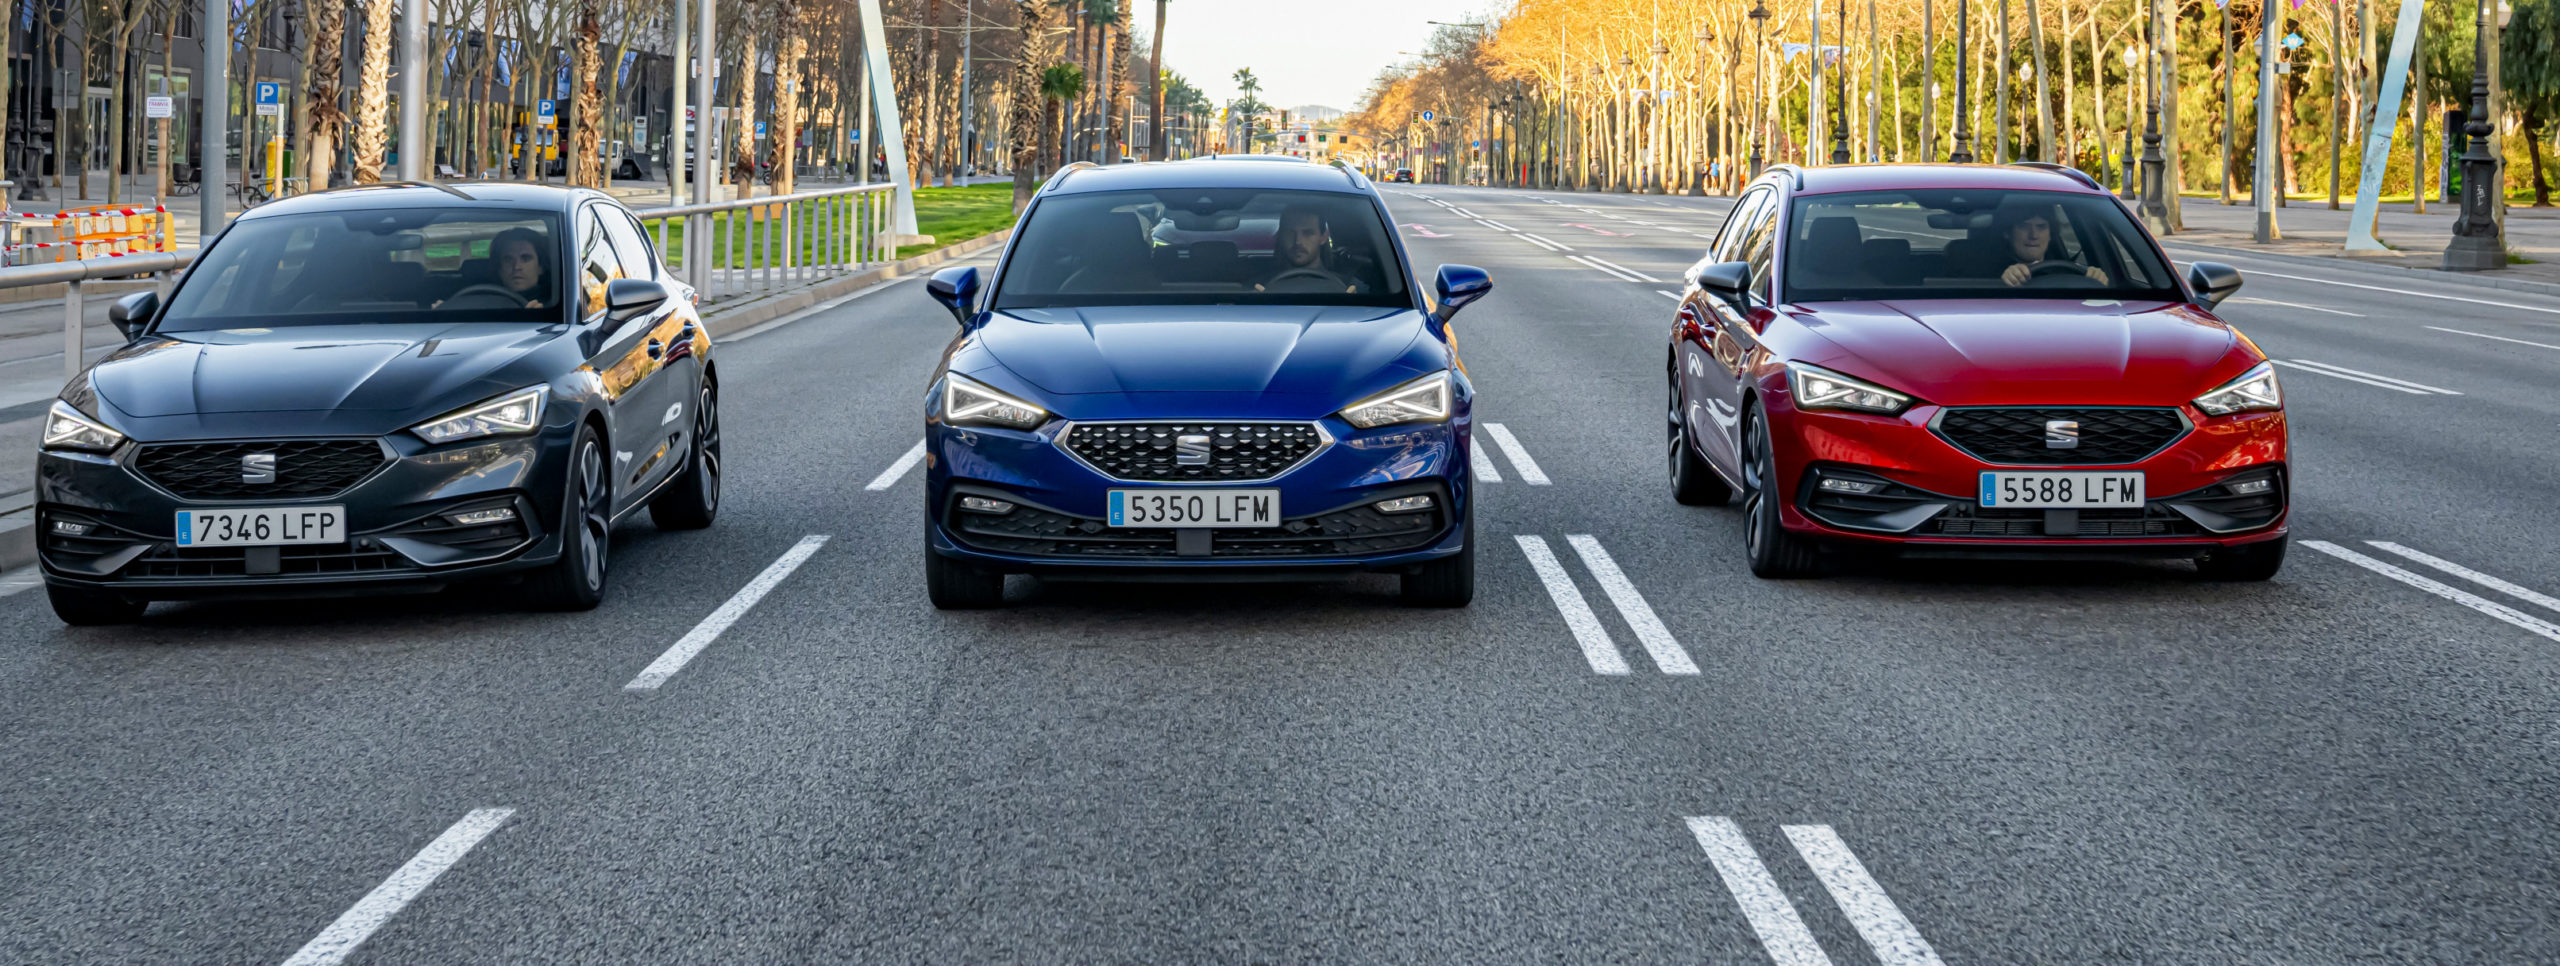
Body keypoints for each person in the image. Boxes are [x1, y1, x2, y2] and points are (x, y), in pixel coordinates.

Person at [1989, 202, 2109, 287]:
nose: (2033, 235)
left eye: (2041, 227)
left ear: (2051, 234)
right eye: (2024, 226)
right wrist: (2004, 280)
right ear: (2007, 233)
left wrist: (2097, 279)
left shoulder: (2069, 273)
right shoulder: (1984, 273)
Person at [1254, 205, 1363, 293]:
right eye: (1290, 233)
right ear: (1280, 236)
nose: (1298, 241)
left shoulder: (1350, 287)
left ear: (1323, 237)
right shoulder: (1257, 287)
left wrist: (1355, 303)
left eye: (1307, 233)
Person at [489, 228, 552, 307]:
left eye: (525, 258)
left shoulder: (561, 304)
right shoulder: (483, 302)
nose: (516, 267)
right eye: (508, 259)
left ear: (541, 267)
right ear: (498, 268)